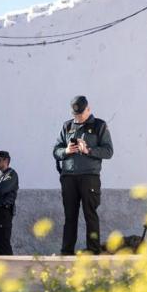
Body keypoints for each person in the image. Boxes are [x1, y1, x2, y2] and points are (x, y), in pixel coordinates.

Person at [53, 95, 113, 255]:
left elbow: (108, 151)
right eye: (76, 115)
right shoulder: (67, 126)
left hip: (89, 177)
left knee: (90, 215)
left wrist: (89, 150)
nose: (78, 118)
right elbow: (55, 150)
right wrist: (65, 151)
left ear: (88, 109)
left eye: (81, 114)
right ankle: (67, 251)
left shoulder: (99, 125)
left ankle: (93, 251)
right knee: (69, 216)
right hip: (69, 177)